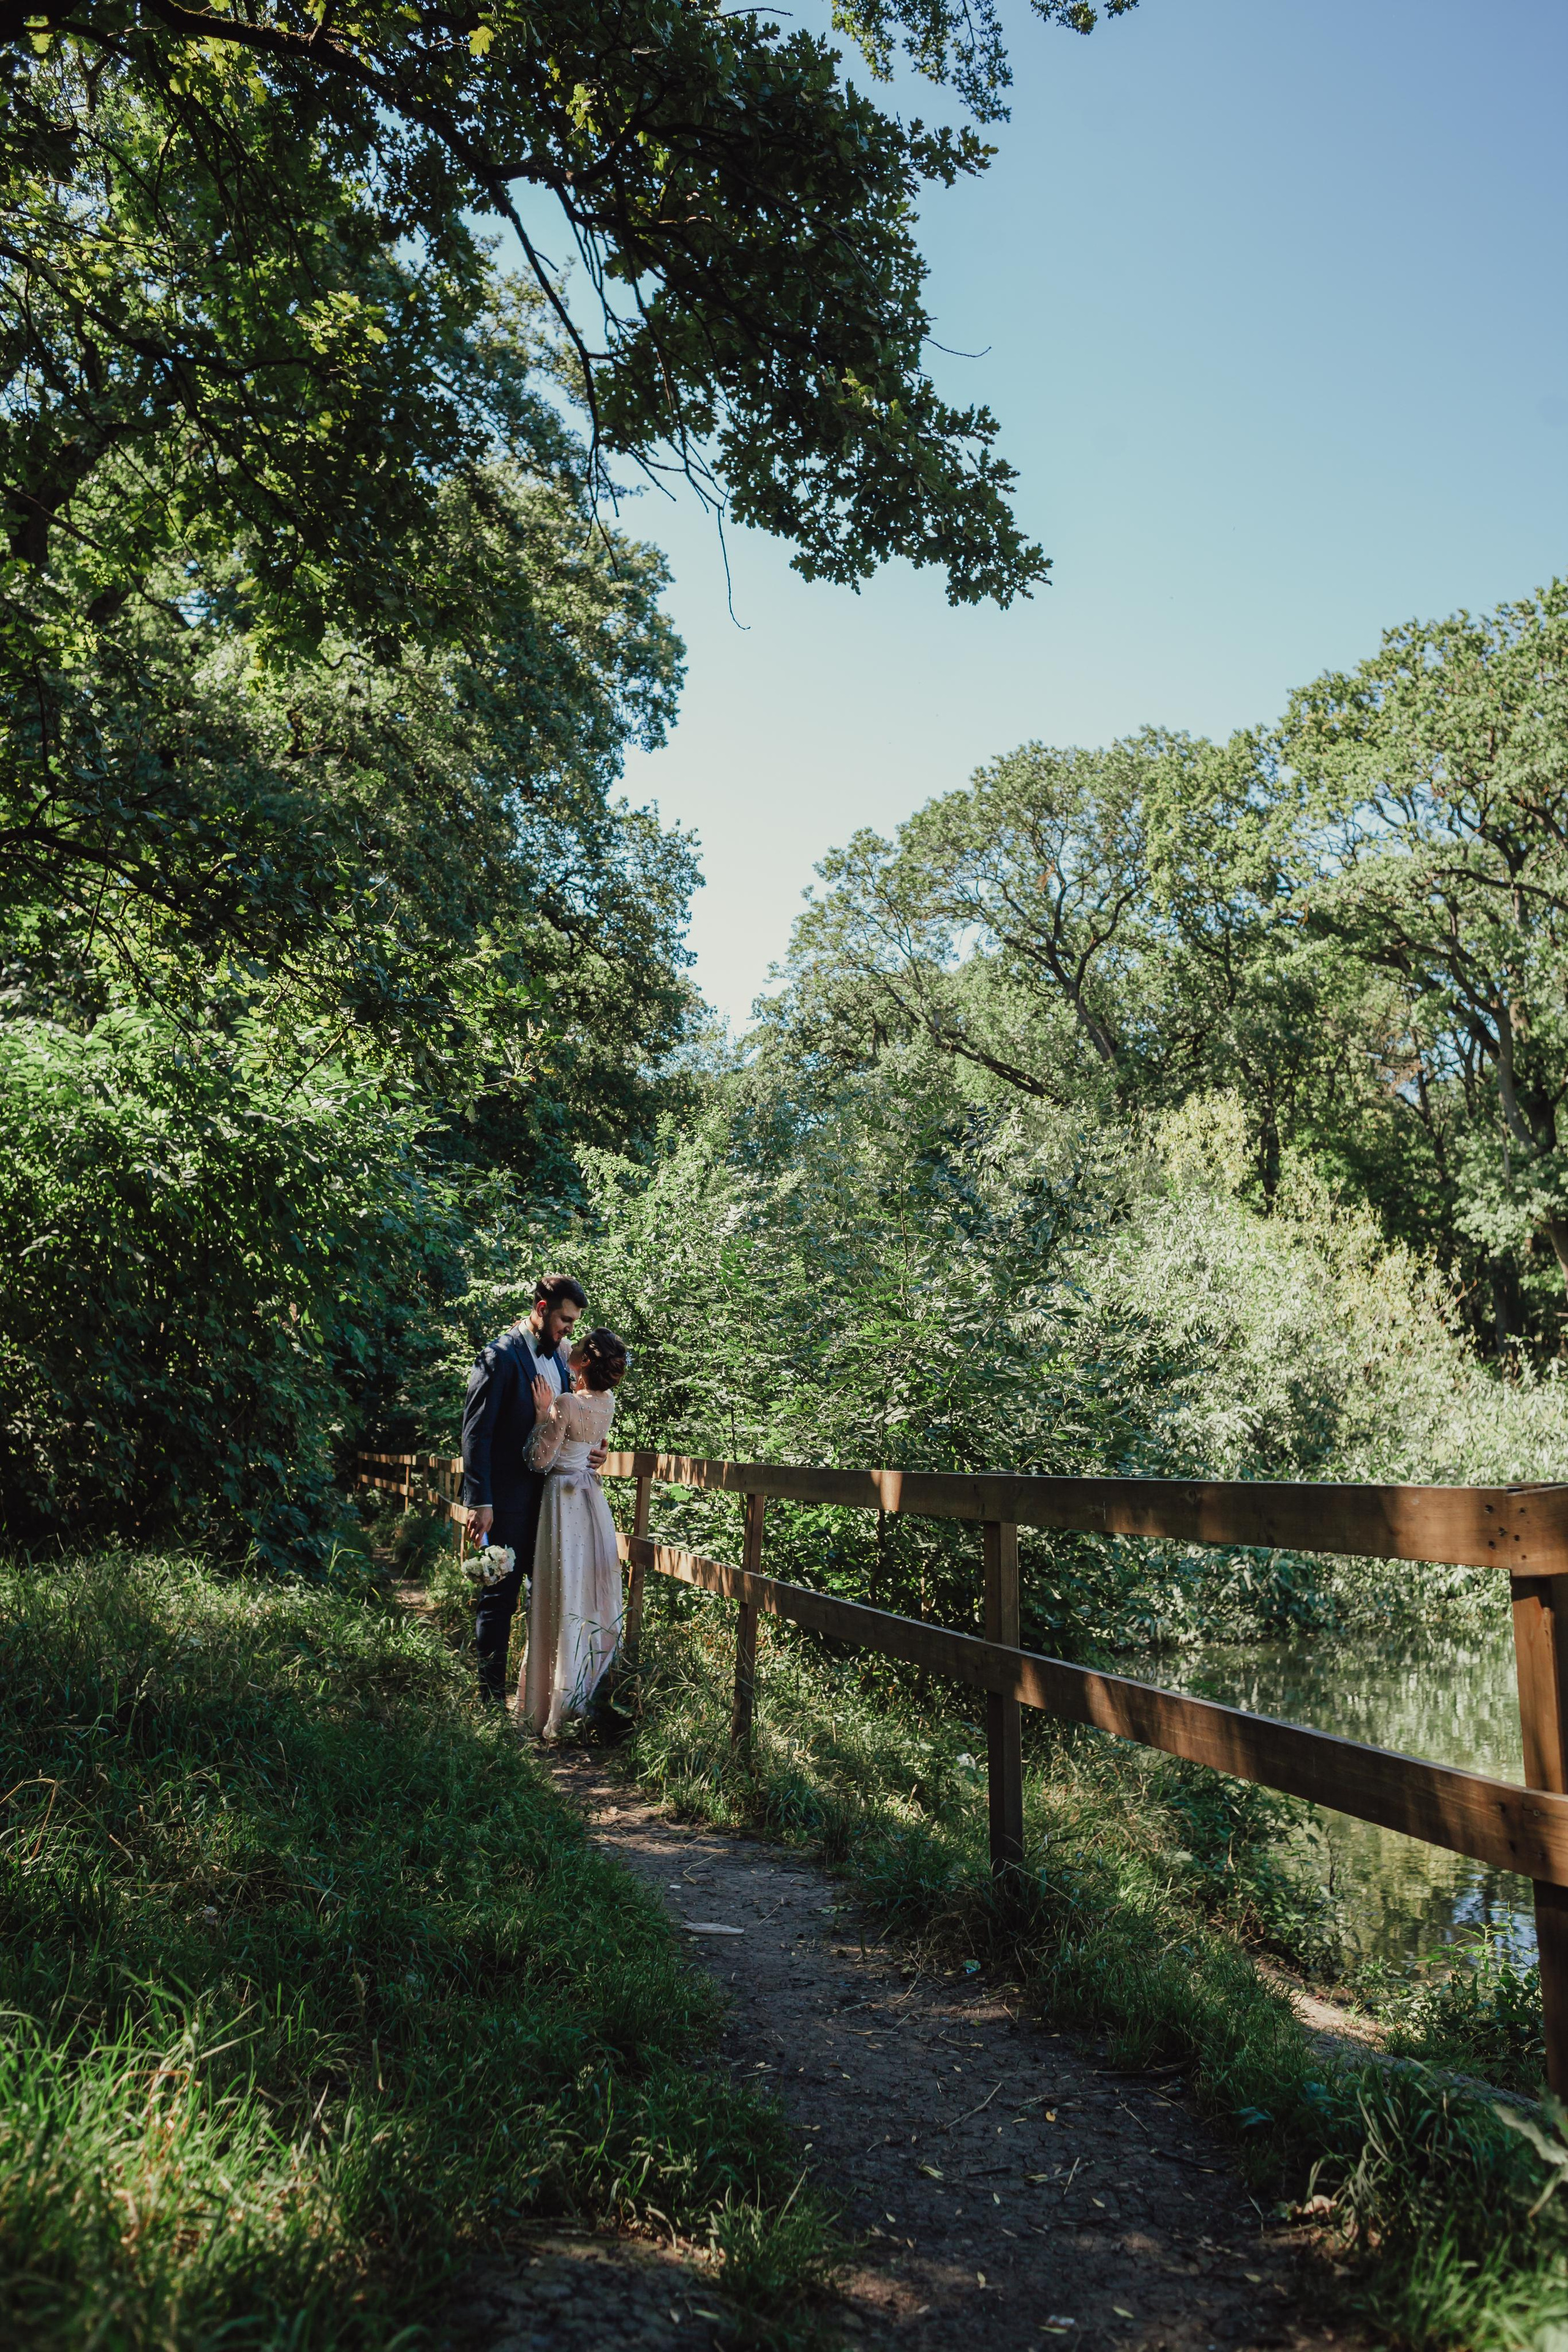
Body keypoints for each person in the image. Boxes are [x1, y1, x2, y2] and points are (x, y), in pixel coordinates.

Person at [461, 1273, 594, 1706]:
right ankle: (490, 1704)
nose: (569, 1329)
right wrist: (480, 1501)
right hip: (506, 1504)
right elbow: (476, 1435)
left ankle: (541, 1701)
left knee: (554, 1601)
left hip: (553, 1505)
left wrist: (594, 1451)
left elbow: (568, 1425)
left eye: (573, 1322)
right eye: (564, 1319)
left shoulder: (559, 1361)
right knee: (499, 1600)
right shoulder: (498, 1357)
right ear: (541, 1309)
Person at [519, 1326, 630, 1739]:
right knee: (582, 1592)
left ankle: (549, 1701)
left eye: (580, 1345)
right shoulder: (609, 1401)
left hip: (562, 1502)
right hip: (591, 1501)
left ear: (585, 1361)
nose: (573, 1343)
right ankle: (577, 1692)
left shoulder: (564, 1403)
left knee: (558, 1589)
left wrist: (541, 1415)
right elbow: (594, 1446)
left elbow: (537, 1460)